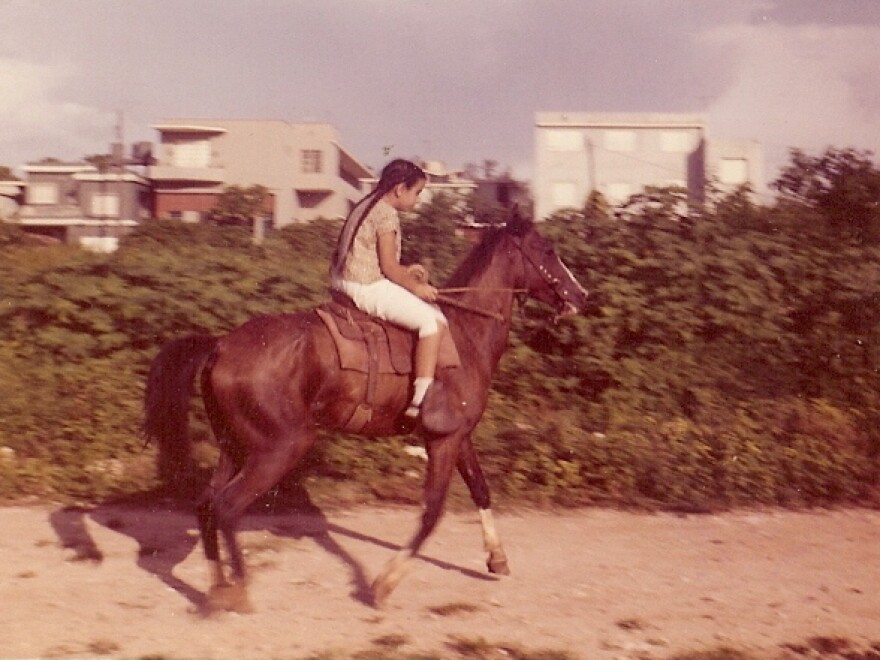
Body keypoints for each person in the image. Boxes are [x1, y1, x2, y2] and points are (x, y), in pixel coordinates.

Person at [330, 159, 449, 419]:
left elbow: (380, 260)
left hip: (342, 281)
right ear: (399, 189)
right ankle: (421, 399)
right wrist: (418, 288)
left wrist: (408, 272)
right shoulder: (387, 214)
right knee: (434, 322)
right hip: (364, 286)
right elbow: (388, 267)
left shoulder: (366, 203)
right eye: (416, 193)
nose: (417, 200)